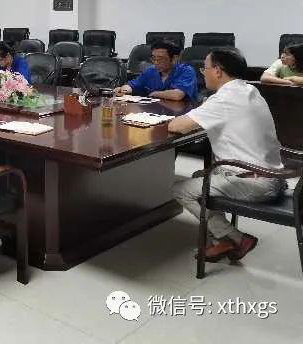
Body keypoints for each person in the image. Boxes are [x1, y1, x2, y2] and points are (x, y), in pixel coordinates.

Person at [168, 48, 286, 263]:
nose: (203, 73)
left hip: (255, 182)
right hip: (274, 175)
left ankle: (235, 239)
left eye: (204, 68)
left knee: (180, 190)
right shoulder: (249, 90)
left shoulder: (224, 99)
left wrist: (199, 111)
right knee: (199, 176)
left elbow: (177, 126)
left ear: (218, 71)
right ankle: (220, 240)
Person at [113, 40, 197, 101]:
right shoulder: (150, 71)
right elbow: (133, 85)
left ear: (174, 58)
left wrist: (154, 93)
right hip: (154, 113)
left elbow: (177, 95)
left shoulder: (186, 71)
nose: (156, 62)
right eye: (153, 58)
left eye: (160, 59)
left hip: (181, 113)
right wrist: (124, 90)